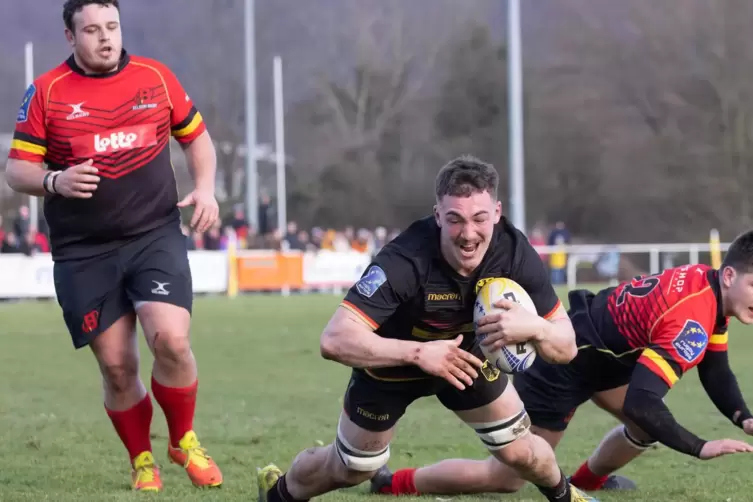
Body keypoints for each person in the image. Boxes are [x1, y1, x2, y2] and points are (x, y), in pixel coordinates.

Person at [256, 155, 599, 502]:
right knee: (352, 468)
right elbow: (334, 339)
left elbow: (567, 347)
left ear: (496, 213)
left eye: (480, 218)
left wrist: (537, 327)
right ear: (438, 216)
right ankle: (279, 491)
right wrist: (419, 353)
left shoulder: (513, 251)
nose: (468, 234)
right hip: (391, 367)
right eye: (455, 220)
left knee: (521, 452)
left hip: (465, 361)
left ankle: (566, 496)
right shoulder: (406, 259)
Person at [5, 0, 222, 492]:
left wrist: (205, 188)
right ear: (69, 36)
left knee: (171, 339)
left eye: (112, 27)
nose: (105, 38)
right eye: (92, 30)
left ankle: (183, 438)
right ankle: (142, 459)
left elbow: (197, 138)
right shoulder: (46, 92)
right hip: (84, 251)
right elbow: (17, 170)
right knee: (118, 365)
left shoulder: (156, 77)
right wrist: (56, 181)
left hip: (154, 234)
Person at [370, 233, 753, 497]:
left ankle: (586, 482)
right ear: (731, 275)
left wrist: (742, 417)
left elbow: (714, 367)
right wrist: (699, 446)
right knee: (506, 477)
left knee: (643, 427)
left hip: (601, 351)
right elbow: (644, 402)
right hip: (566, 362)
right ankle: (392, 483)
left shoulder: (707, 284)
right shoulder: (692, 318)